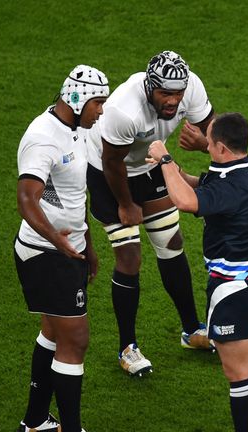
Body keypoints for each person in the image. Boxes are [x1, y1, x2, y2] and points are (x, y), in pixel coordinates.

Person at [146, 112, 248, 432]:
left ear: (221, 147)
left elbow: (187, 200)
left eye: (208, 141)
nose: (204, 144)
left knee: (237, 374)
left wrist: (164, 158)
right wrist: (175, 170)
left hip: (233, 290)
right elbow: (201, 186)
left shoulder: (229, 188)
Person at [85, 50, 215, 376]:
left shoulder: (191, 87)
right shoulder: (123, 111)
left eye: (178, 94)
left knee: (171, 244)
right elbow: (112, 162)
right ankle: (127, 348)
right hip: (106, 173)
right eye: (165, 94)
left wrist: (203, 144)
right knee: (130, 258)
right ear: (150, 86)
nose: (173, 102)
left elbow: (213, 132)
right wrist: (127, 205)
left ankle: (192, 330)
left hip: (150, 163)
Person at [14, 65, 109, 432]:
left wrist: (89, 245)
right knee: (77, 339)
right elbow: (27, 200)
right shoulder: (43, 137)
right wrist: (62, 243)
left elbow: (73, 196)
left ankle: (35, 421)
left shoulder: (76, 130)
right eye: (97, 102)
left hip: (67, 251)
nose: (101, 111)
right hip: (46, 254)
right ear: (77, 98)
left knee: (54, 333)